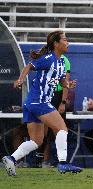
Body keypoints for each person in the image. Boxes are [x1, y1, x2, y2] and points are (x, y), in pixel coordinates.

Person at [2, 30, 82, 176]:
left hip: (32, 103)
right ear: (56, 43)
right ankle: (63, 163)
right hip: (39, 101)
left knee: (36, 141)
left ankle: (11, 158)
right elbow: (29, 66)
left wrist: (68, 85)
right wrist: (20, 80)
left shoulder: (61, 62)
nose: (67, 42)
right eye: (64, 39)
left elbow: (62, 80)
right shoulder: (49, 58)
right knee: (62, 128)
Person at [41, 54, 71, 168]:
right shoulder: (45, 59)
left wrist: (62, 102)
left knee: (59, 130)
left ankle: (61, 161)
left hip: (57, 97)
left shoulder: (65, 60)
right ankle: (44, 160)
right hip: (45, 95)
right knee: (44, 130)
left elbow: (66, 82)